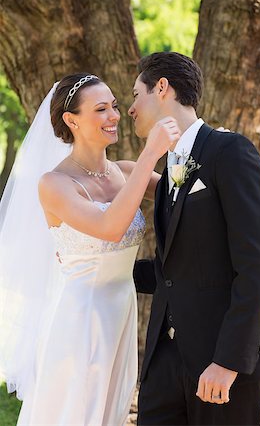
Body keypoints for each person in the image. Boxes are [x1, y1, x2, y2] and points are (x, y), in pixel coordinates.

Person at [0, 73, 181, 425]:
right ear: (72, 120)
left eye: (114, 106)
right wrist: (150, 155)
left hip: (121, 313)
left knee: (109, 411)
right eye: (100, 109)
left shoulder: (125, 172)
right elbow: (108, 229)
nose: (114, 115)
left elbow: (190, 200)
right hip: (79, 319)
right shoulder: (55, 183)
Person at [129, 52, 260, 426]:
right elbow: (175, 269)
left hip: (221, 367)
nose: (130, 108)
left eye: (135, 94)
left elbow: (259, 266)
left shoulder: (231, 152)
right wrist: (102, 270)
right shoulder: (170, 170)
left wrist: (228, 362)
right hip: (164, 366)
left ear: (162, 88)